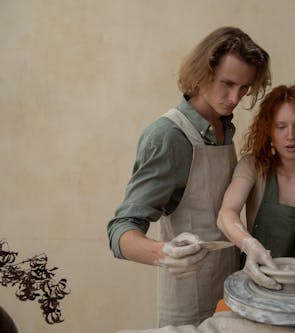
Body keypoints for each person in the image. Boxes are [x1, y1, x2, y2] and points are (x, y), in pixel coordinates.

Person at [107, 27, 271, 326]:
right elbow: (120, 232)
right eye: (228, 84)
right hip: (187, 304)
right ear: (202, 72)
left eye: (245, 88)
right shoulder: (168, 136)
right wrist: (163, 252)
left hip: (230, 291)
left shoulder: (223, 126)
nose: (235, 98)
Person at [217, 84, 295, 293]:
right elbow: (226, 214)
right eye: (281, 126)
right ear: (269, 131)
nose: (291, 136)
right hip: (257, 277)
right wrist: (248, 244)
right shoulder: (253, 166)